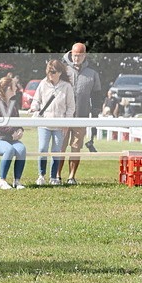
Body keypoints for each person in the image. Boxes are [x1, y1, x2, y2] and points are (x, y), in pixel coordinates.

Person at [58, 43, 102, 185]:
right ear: (71, 54)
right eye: (75, 55)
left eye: (79, 56)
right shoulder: (63, 70)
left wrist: (95, 111)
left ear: (84, 56)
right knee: (61, 147)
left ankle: (71, 176)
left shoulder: (92, 74)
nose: (76, 58)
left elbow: (96, 95)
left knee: (76, 148)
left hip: (82, 116)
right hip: (64, 116)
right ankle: (57, 175)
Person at [29, 59, 75, 186]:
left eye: (53, 72)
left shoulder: (67, 86)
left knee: (56, 150)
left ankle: (54, 176)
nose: (50, 74)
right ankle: (41, 175)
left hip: (60, 125)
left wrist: (66, 123)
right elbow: (36, 100)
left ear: (60, 72)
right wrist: (34, 107)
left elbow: (71, 107)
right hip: (44, 123)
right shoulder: (43, 84)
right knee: (42, 148)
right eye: (49, 72)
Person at [0, 76, 26, 190]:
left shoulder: (14, 104)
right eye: (15, 86)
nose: (17, 89)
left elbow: (18, 121)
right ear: (9, 88)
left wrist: (20, 131)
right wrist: (12, 132)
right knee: (9, 149)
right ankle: (2, 180)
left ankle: (17, 181)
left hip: (11, 138)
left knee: (21, 149)